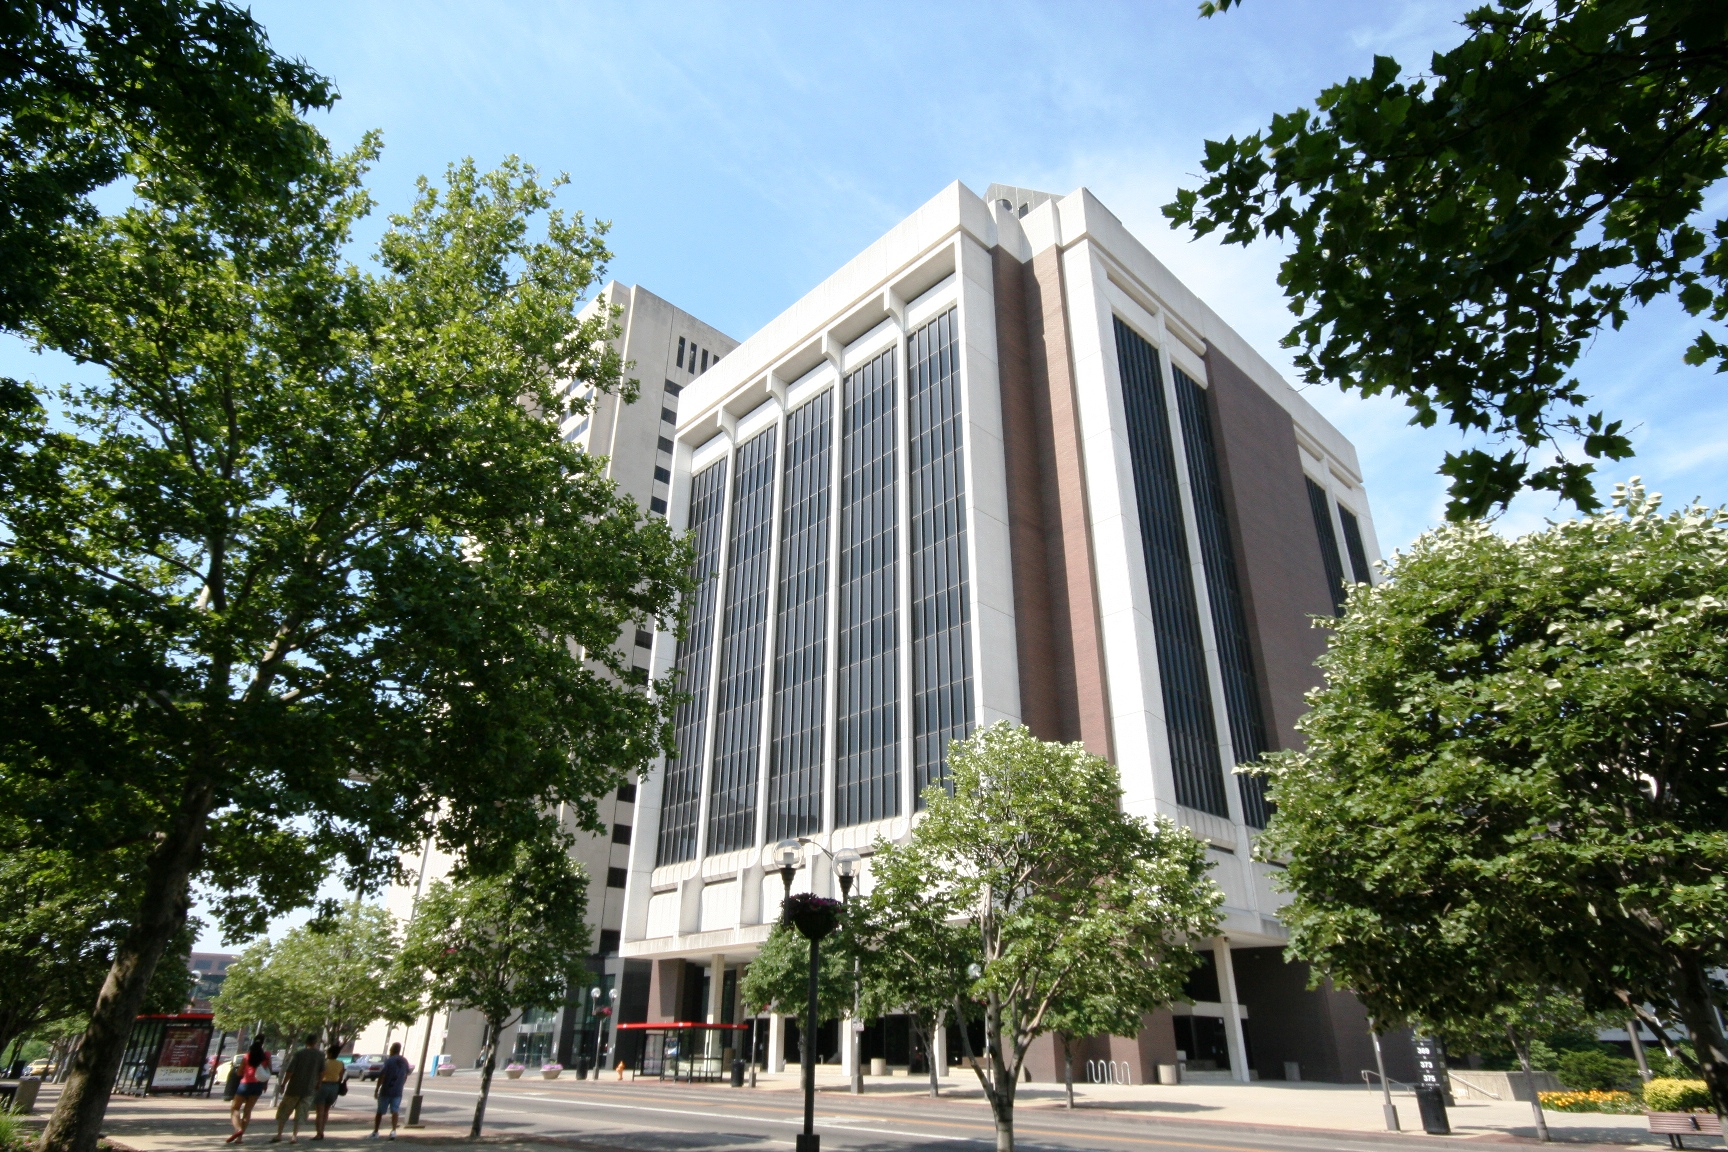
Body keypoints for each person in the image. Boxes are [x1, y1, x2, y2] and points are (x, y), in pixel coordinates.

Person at [272, 1034, 325, 1144]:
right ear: (315, 1043)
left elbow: (290, 1071)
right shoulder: (320, 1055)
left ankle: (279, 1134)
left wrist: (283, 1084)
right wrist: (319, 1083)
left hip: (294, 1088)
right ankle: (294, 1136)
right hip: (309, 1089)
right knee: (301, 1113)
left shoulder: (299, 1054)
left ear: (306, 1042)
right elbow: (322, 1072)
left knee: (284, 1111)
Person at [228, 1040, 272, 1144]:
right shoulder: (265, 1057)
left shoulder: (247, 1057)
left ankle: (238, 1129)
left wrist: (241, 1072)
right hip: (258, 1086)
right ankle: (239, 1139)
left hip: (246, 1084)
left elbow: (239, 1072)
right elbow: (269, 1071)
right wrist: (265, 1084)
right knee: (247, 1111)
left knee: (235, 1108)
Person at [368, 1042, 411, 1140]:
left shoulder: (389, 1061)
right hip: (398, 1090)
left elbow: (382, 1075)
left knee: (380, 1112)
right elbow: (405, 1075)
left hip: (386, 1089)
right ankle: (393, 1131)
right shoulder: (404, 1061)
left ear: (392, 1049)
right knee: (395, 1111)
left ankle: (376, 1131)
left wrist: (377, 1089)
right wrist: (401, 1084)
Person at [313, 1043, 345, 1140]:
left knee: (319, 1112)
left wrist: (317, 1084)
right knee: (326, 1111)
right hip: (334, 1087)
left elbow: (321, 1074)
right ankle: (322, 1130)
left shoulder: (325, 1062)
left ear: (330, 1053)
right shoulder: (340, 1063)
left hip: (323, 1085)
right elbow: (341, 1077)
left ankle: (319, 1133)